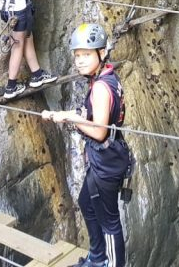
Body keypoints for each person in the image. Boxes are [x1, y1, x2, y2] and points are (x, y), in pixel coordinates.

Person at [41, 24, 131, 267]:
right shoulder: (105, 77)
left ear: (101, 53)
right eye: (77, 55)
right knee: (86, 202)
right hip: (105, 157)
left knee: (110, 222)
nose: (79, 61)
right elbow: (87, 112)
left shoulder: (101, 87)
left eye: (86, 55)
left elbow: (100, 132)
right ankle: (97, 257)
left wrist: (69, 119)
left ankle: (110, 264)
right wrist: (61, 113)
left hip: (106, 161)